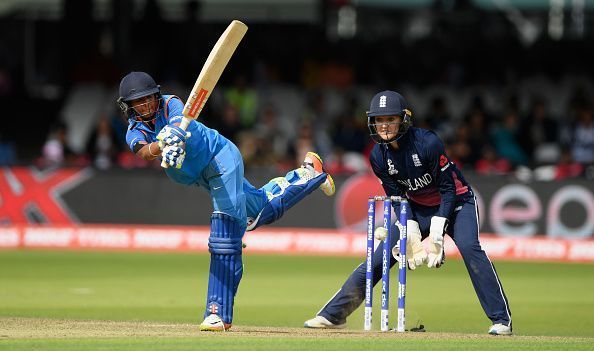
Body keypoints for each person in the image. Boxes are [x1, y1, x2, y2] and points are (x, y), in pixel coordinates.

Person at [117, 71, 335, 331]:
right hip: (200, 176)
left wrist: (173, 134)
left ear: (156, 95)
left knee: (227, 230)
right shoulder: (135, 129)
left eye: (148, 98)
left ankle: (217, 311)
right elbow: (143, 151)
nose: (145, 105)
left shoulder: (170, 102)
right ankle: (309, 173)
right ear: (129, 107)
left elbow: (179, 120)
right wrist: (159, 146)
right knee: (259, 210)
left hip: (221, 159)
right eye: (138, 102)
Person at [303, 90, 512, 335]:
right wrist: (411, 227)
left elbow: (448, 189)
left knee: (469, 248)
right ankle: (333, 315)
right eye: (379, 120)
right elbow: (397, 197)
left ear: (403, 119)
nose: (384, 126)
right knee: (380, 258)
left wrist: (438, 229)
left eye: (390, 119)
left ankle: (501, 319)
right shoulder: (378, 156)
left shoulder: (428, 143)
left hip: (457, 203)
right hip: (417, 208)